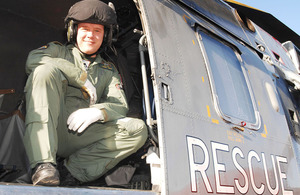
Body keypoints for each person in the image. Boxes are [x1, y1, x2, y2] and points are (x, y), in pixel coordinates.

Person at [23, 0, 148, 186]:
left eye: (97, 30)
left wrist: (99, 112)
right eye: (85, 29)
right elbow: (33, 60)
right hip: (52, 126)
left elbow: (119, 105)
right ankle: (43, 165)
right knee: (44, 70)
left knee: (138, 130)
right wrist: (80, 78)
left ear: (106, 36)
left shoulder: (108, 70)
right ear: (74, 32)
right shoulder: (58, 51)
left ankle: (70, 171)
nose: (91, 35)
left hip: (83, 133)